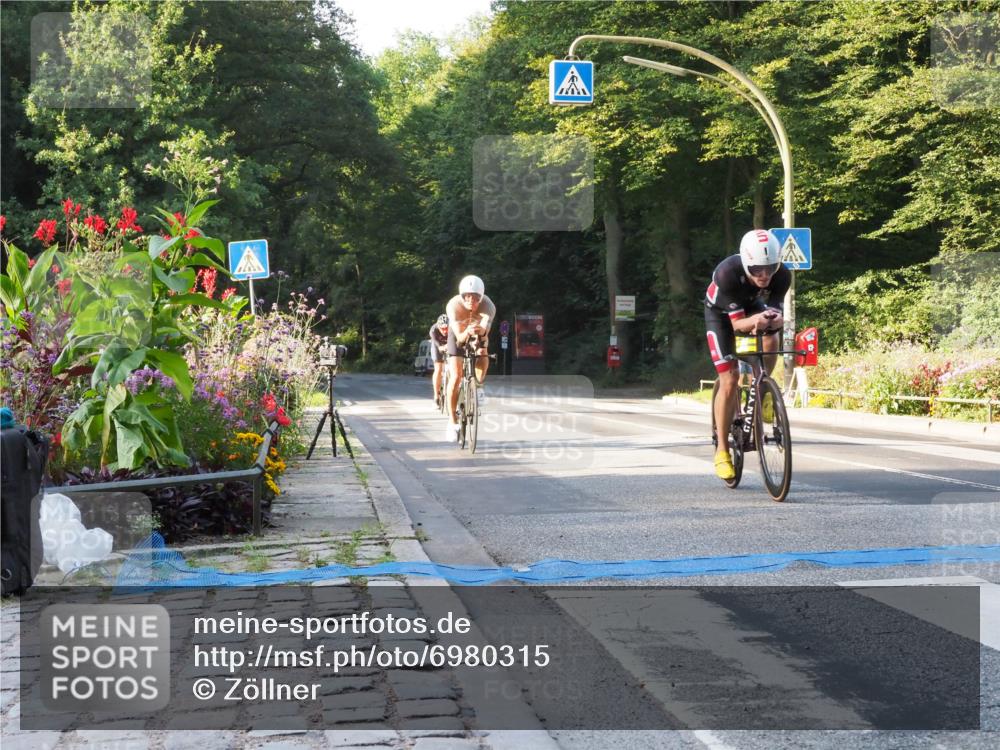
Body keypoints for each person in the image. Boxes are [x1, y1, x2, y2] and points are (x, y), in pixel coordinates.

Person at [705, 229, 791, 480]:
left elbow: (775, 314)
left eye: (770, 268)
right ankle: (722, 450)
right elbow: (737, 326)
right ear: (746, 264)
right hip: (720, 315)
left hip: (752, 306)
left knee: (772, 336)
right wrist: (755, 320)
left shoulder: (782, 275)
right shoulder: (727, 274)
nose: (764, 276)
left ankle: (763, 386)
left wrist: (775, 319)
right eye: (757, 271)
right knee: (730, 379)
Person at [444, 275, 496, 442]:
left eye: (475, 298)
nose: (471, 301)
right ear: (461, 295)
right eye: (467, 296)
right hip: (458, 333)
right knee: (456, 375)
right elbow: (459, 338)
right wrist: (467, 332)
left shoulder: (489, 306)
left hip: (477, 331)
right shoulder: (453, 306)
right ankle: (452, 422)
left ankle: (478, 385)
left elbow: (485, 333)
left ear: (481, 297)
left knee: (483, 351)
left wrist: (480, 331)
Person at [429, 314, 449, 408]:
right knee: (438, 368)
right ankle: (436, 396)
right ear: (438, 326)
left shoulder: (453, 328)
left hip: (449, 344)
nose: (445, 331)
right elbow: (435, 341)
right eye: (442, 328)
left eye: (446, 328)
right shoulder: (434, 329)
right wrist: (440, 347)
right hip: (438, 345)